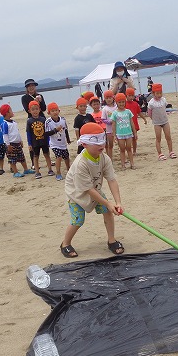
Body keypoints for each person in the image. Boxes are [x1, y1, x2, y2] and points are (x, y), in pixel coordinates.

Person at [60, 122, 124, 258]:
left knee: (107, 212)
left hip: (95, 190)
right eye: (96, 142)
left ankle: (111, 240)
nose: (101, 145)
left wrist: (117, 202)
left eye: (102, 140)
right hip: (76, 194)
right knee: (78, 220)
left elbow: (111, 180)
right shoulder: (80, 164)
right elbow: (87, 189)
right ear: (84, 144)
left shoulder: (104, 158)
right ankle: (65, 244)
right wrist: (108, 203)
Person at [1, 104, 31, 177]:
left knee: (22, 157)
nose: (12, 112)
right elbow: (5, 135)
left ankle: (26, 169)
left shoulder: (14, 122)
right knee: (12, 159)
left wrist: (20, 140)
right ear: (7, 113)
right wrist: (8, 145)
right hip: (11, 144)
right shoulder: (5, 124)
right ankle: (15, 172)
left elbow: (17, 132)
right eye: (10, 110)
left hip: (17, 143)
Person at [26, 100, 54, 179]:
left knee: (47, 155)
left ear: (39, 109)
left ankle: (50, 169)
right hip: (35, 142)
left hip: (44, 140)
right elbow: (28, 133)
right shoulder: (29, 121)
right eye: (33, 109)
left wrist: (48, 141)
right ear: (29, 111)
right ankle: (37, 172)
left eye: (36, 109)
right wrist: (29, 144)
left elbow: (47, 131)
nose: (35, 111)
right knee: (36, 156)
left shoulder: (43, 119)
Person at [44, 102, 72, 181]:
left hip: (63, 143)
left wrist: (68, 139)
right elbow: (46, 133)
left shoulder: (62, 119)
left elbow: (65, 130)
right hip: (54, 144)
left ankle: (69, 170)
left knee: (66, 157)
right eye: (52, 111)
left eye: (56, 110)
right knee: (58, 157)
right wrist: (55, 130)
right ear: (49, 113)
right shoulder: (48, 122)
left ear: (59, 111)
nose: (55, 112)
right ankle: (58, 173)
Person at [148, 83, 176, 160]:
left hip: (165, 121)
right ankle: (160, 153)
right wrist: (153, 119)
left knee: (168, 136)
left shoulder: (163, 100)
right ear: (153, 93)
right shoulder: (151, 103)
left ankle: (171, 151)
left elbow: (165, 108)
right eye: (157, 93)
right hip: (157, 123)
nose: (159, 95)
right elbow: (149, 113)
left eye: (160, 93)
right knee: (158, 138)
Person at [110, 93, 136, 170]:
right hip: (120, 134)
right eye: (119, 102)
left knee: (129, 148)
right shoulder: (115, 113)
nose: (121, 104)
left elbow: (132, 122)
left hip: (129, 133)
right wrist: (114, 135)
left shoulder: (128, 112)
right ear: (116, 103)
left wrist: (134, 132)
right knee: (122, 149)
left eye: (123, 102)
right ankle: (123, 164)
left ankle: (132, 163)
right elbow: (113, 125)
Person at [125, 88, 146, 154]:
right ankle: (128, 151)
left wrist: (144, 118)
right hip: (126, 125)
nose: (131, 97)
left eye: (132, 96)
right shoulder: (124, 104)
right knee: (127, 139)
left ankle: (134, 151)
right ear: (126, 95)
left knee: (134, 138)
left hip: (134, 124)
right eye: (129, 96)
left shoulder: (135, 104)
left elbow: (139, 112)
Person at [101, 90, 117, 161]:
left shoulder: (116, 107)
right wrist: (109, 122)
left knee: (121, 144)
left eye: (110, 98)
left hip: (118, 128)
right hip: (109, 130)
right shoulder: (105, 109)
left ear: (113, 98)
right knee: (110, 145)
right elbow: (103, 119)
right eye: (107, 98)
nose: (109, 99)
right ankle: (110, 159)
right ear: (105, 99)